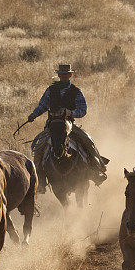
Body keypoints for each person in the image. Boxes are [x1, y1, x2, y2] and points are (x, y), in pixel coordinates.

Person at [27, 64, 109, 193]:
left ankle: (96, 169)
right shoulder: (50, 90)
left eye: (66, 74)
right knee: (39, 147)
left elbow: (82, 111)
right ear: (59, 75)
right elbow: (42, 106)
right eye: (62, 74)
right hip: (52, 125)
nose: (64, 76)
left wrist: (70, 113)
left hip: (70, 125)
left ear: (70, 75)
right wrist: (33, 115)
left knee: (88, 140)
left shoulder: (76, 91)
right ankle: (40, 180)